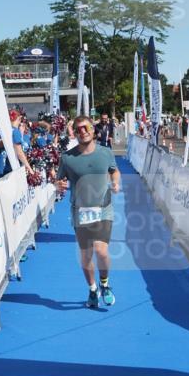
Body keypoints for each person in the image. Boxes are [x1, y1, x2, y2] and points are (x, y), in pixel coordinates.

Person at [56, 115, 121, 308]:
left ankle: (105, 284)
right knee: (86, 257)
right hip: (81, 211)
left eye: (86, 128)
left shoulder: (105, 152)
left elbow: (114, 170)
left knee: (101, 251)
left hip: (103, 208)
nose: (83, 132)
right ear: (75, 134)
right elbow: (59, 180)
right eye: (78, 130)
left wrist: (115, 182)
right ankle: (92, 289)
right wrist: (59, 185)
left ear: (93, 130)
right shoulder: (67, 158)